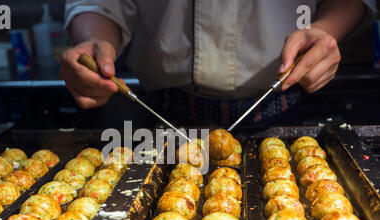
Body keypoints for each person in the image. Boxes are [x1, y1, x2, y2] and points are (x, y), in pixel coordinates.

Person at [60, 0, 377, 126]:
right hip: (161, 117)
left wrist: (324, 30)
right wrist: (93, 40)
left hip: (280, 111)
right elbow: (100, 3)